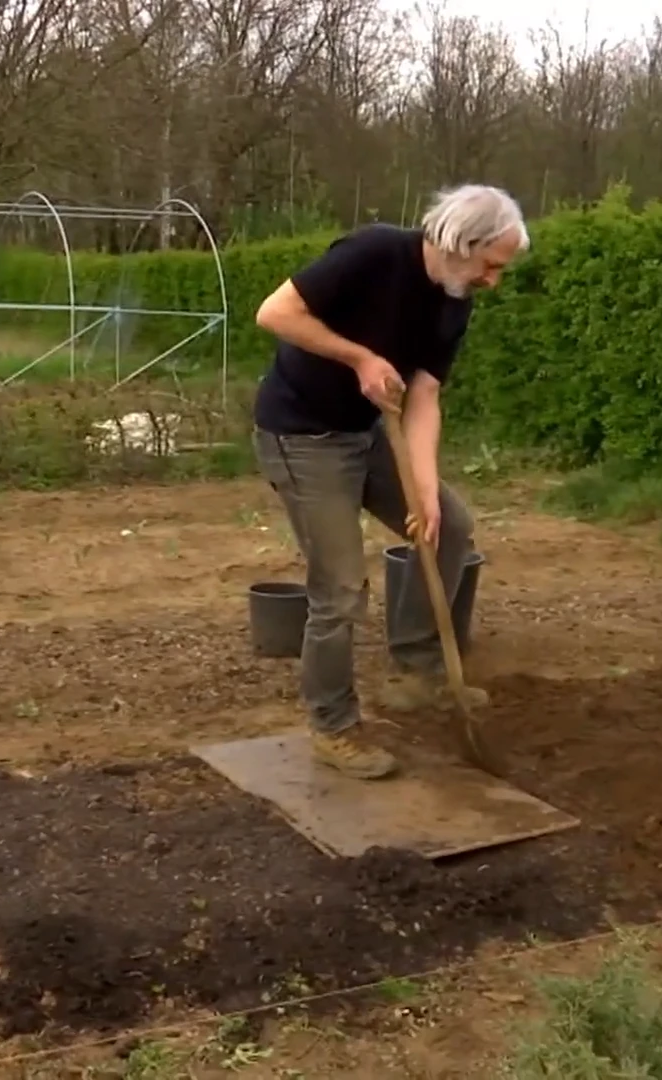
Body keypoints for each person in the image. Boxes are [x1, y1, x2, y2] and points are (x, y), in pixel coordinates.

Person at [251, 184, 529, 780]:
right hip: (302, 435)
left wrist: (424, 488)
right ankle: (333, 726)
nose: (492, 281)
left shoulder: (454, 301)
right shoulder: (374, 253)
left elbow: (425, 393)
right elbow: (274, 313)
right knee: (342, 587)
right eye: (491, 265)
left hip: (366, 434)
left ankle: (416, 672)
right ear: (463, 241)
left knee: (448, 524)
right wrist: (360, 359)